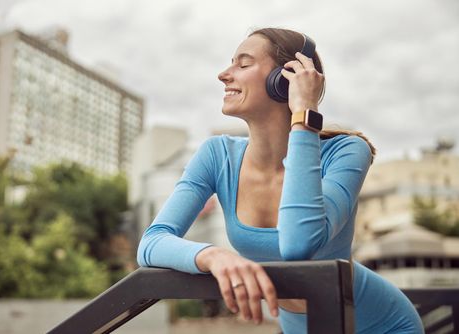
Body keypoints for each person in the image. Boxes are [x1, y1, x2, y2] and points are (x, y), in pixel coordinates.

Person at [137, 27, 423, 333]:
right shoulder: (216, 155)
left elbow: (299, 243)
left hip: (382, 325)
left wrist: (304, 114)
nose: (224, 74)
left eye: (243, 64)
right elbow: (151, 243)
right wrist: (213, 256)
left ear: (284, 79)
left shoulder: (347, 151)